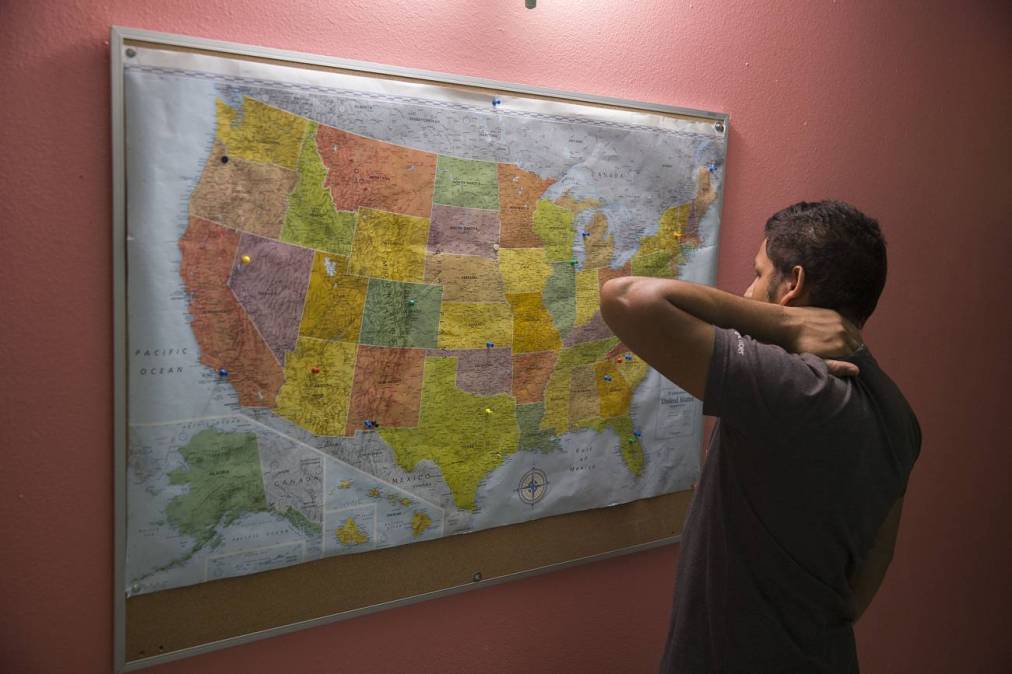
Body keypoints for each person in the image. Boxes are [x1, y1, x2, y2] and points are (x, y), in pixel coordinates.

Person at [600, 200, 920, 673]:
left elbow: (626, 298)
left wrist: (788, 324)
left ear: (792, 285)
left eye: (757, 273)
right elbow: (877, 556)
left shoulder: (799, 388)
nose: (747, 291)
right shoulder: (899, 414)